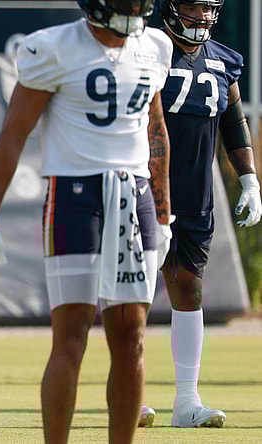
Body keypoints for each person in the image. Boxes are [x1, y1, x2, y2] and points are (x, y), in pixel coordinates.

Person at [0, 0, 173, 441]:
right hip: (75, 197)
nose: (135, 9)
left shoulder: (154, 45)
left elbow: (155, 133)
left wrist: (162, 212)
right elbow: (13, 134)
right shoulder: (56, 47)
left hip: (134, 195)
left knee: (132, 335)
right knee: (72, 335)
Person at [137, 0, 261, 429]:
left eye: (210, 9)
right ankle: (126, 389)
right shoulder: (146, 49)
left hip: (195, 196)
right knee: (131, 293)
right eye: (194, 6)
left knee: (188, 290)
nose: (204, 17)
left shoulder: (224, 60)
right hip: (143, 193)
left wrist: (249, 179)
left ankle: (186, 402)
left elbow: (234, 121)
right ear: (170, 8)